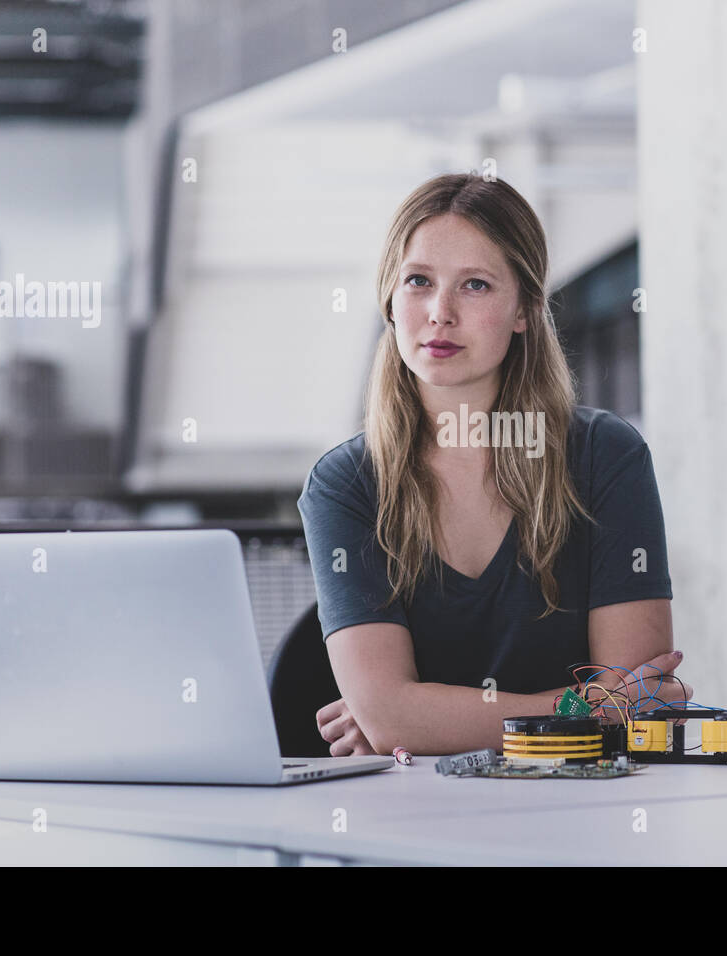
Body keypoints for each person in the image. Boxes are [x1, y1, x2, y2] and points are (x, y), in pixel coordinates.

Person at [296, 171, 690, 756]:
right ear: (389, 298)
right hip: (412, 821)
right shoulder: (345, 483)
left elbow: (637, 708)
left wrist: (419, 716)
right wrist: (582, 708)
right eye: (418, 281)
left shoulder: (604, 455)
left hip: (582, 814)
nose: (440, 312)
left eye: (476, 285)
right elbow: (393, 722)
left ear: (525, 309)